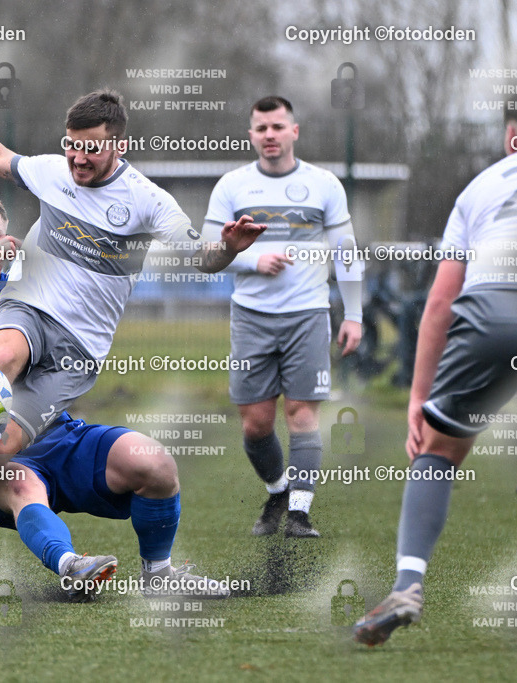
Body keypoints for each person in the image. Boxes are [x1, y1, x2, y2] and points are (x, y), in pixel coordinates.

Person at [0, 190, 230, 600]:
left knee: (155, 463)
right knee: (21, 485)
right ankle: (72, 565)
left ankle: (159, 576)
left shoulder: (31, 291)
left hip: (59, 431)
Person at [0, 73, 263, 490]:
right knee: (0, 358)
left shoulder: (147, 201)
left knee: (3, 449)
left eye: (91, 148)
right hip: (29, 308)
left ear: (119, 145)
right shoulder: (53, 172)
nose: (77, 157)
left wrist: (230, 249)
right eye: (71, 144)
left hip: (79, 345)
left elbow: (203, 258)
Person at [353, 86, 517, 646]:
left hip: (489, 314)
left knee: (439, 452)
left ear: (511, 138)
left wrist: (419, 399)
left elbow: (440, 302)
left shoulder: (479, 185)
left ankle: (407, 584)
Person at [202, 96, 363, 538]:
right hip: (251, 317)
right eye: (261, 128)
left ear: (294, 131)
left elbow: (346, 253)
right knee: (256, 425)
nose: (269, 135)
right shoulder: (232, 186)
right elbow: (205, 257)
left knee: (301, 414)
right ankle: (278, 489)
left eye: (277, 127)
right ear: (251, 134)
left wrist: (354, 314)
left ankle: (299, 513)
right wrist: (251, 259)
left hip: (308, 313)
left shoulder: (325, 184)